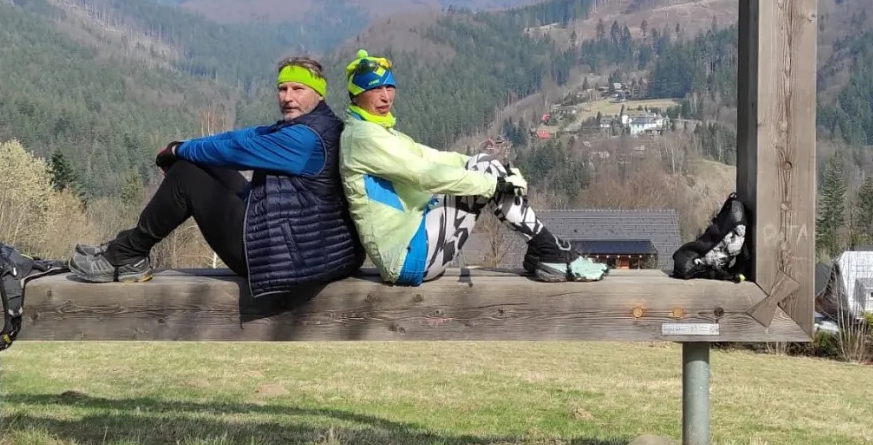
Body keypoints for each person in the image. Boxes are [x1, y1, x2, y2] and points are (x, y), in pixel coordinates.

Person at [69, 56, 365, 297]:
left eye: (298, 89)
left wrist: (179, 151)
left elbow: (238, 149)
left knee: (187, 172)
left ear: (318, 93)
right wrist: (184, 147)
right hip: (311, 248)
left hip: (282, 259)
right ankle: (125, 246)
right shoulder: (318, 126)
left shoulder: (305, 139)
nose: (287, 97)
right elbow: (244, 136)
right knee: (204, 160)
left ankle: (128, 253)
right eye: (282, 89)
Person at [337, 49, 608, 285]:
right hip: (408, 258)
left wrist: (477, 165)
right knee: (486, 172)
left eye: (389, 87)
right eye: (375, 89)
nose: (386, 97)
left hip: (415, 241)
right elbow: (423, 175)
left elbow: (430, 157)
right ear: (356, 95)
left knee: (484, 164)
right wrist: (494, 183)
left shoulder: (378, 131)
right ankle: (547, 249)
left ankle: (545, 248)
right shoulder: (363, 138)